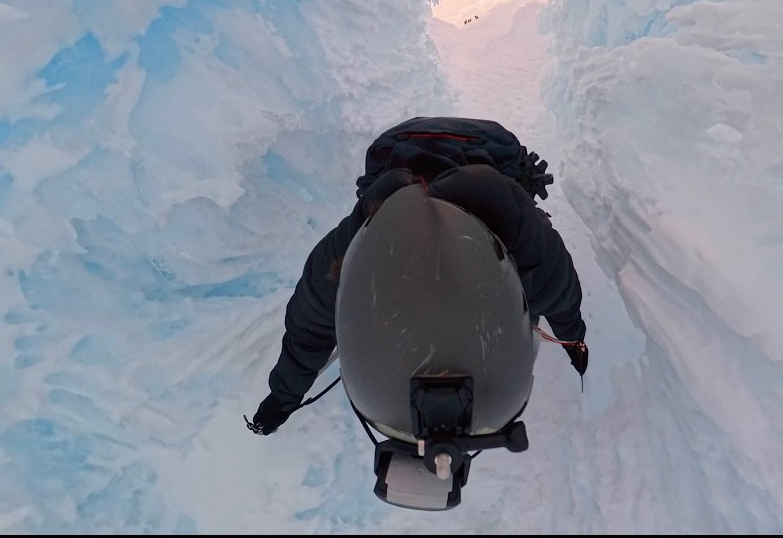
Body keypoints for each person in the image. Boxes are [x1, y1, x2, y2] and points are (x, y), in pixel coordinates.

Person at [247, 116, 588, 437]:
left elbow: (308, 335)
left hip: (471, 150)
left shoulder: (523, 235)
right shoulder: (345, 255)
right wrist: (575, 341)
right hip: (410, 153)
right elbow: (563, 301)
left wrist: (283, 398)